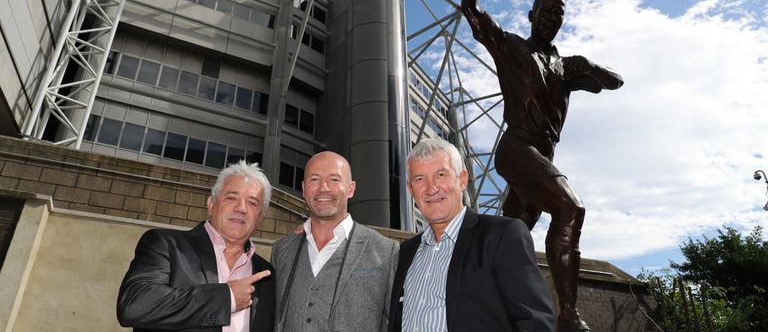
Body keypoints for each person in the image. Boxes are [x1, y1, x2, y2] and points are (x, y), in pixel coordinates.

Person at [460, 0, 625, 332]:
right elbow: (470, 8)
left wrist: (585, 66)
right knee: (571, 208)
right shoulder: (513, 48)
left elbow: (615, 82)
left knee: (510, 234)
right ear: (531, 15)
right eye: (545, 12)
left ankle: (475, 292)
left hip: (540, 159)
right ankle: (568, 315)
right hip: (517, 149)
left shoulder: (566, 67)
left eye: (558, 15)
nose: (551, 19)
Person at [388, 138, 555, 331]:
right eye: (420, 179)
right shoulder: (404, 253)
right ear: (411, 190)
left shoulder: (501, 236)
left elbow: (536, 323)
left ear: (462, 180)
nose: (431, 188)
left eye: (441, 174)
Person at [117, 161, 276, 332]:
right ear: (211, 204)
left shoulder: (266, 273)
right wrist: (227, 298)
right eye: (231, 198)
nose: (241, 208)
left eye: (252, 203)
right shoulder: (166, 245)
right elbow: (134, 305)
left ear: (260, 218)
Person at [271, 151, 399, 332]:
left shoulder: (386, 251)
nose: (324, 187)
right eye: (314, 179)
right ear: (303, 188)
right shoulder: (281, 250)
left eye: (334, 179)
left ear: (351, 189)